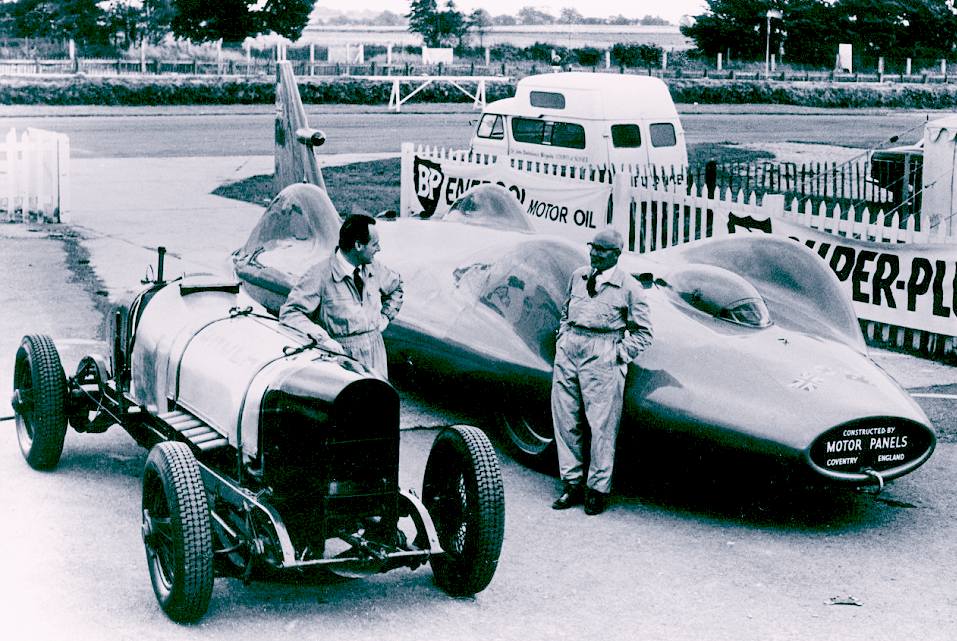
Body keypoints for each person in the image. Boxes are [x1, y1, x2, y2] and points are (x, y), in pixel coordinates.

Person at [550, 228, 653, 515]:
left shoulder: (630, 288)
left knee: (602, 425)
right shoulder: (579, 276)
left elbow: (644, 333)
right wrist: (563, 338)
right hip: (571, 348)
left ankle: (597, 489)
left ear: (617, 254)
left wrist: (618, 354)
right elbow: (566, 310)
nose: (595, 253)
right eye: (593, 247)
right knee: (565, 417)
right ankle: (571, 482)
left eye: (602, 250)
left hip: (604, 352)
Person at [279, 214, 403, 379]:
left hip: (376, 354)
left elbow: (397, 287)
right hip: (343, 359)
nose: (378, 249)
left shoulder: (374, 268)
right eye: (375, 244)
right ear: (358, 245)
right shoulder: (319, 275)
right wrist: (323, 339)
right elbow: (290, 313)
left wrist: (385, 317)